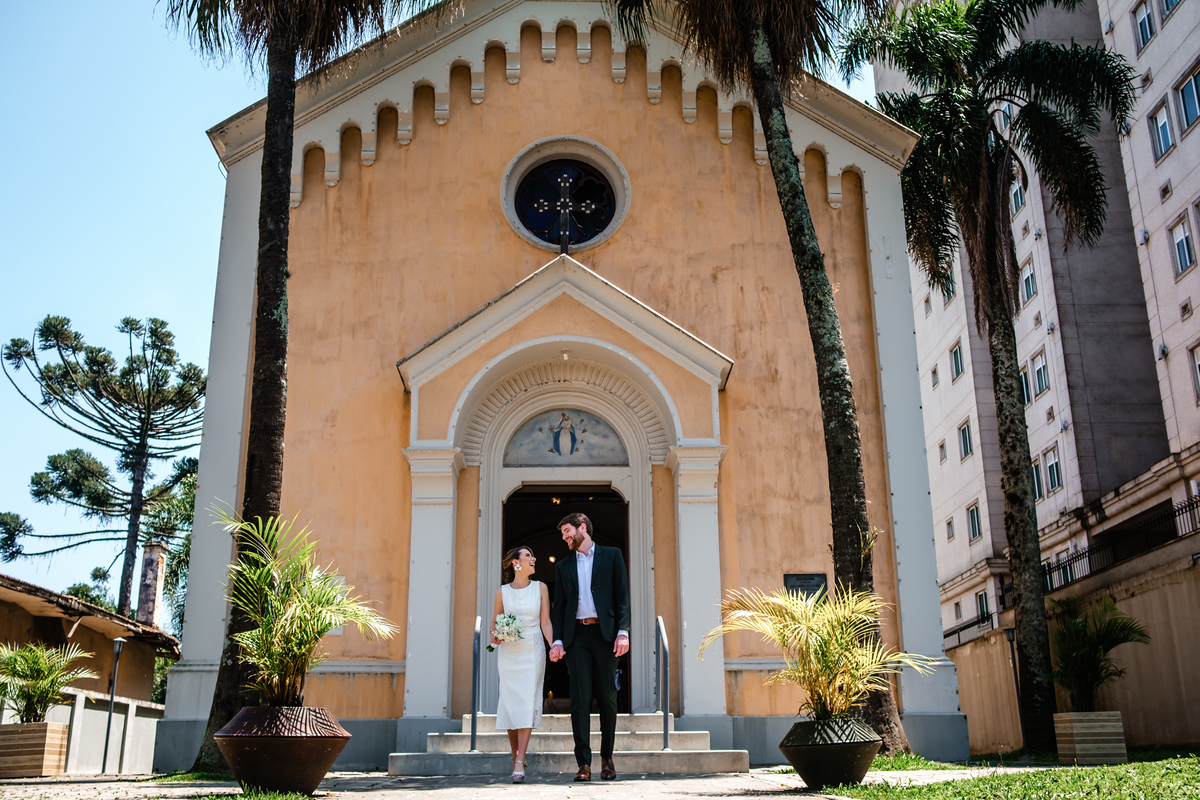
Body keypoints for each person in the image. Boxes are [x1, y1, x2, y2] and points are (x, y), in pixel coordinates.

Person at [549, 512, 631, 782]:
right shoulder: (563, 567)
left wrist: (623, 632)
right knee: (580, 700)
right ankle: (583, 763)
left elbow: (622, 596)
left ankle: (607, 759)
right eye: (563, 534)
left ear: (583, 527)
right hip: (577, 637)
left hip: (605, 634)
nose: (565, 537)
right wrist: (558, 640)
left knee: (608, 698)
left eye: (567, 531)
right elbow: (559, 607)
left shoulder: (612, 555)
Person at [491, 546, 554, 783]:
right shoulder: (501, 593)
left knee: (527, 700)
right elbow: (493, 626)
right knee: (510, 702)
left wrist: (554, 644)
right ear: (516, 563)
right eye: (528, 556)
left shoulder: (541, 588)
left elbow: (545, 622)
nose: (533, 558)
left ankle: (520, 759)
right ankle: (514, 753)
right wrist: (495, 635)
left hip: (532, 649)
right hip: (509, 653)